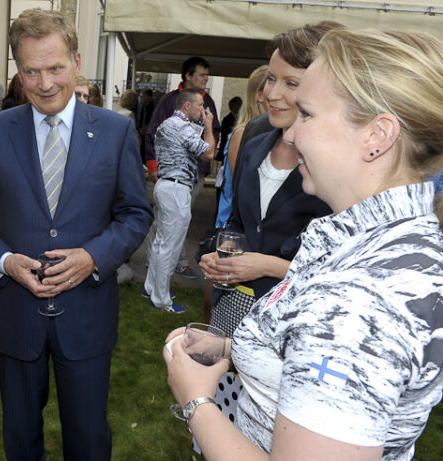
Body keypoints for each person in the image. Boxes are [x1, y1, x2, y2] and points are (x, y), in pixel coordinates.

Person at [166, 27, 443, 460]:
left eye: (308, 115)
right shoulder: (384, 242)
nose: (292, 135)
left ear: (377, 135)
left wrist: (197, 401)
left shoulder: (356, 302)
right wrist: (229, 348)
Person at [0, 8, 152, 460]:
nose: (44, 83)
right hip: (16, 319)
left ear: (77, 62)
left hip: (87, 319)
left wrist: (93, 257)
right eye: (31, 71)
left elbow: (136, 213)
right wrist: (4, 262)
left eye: (56, 68)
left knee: (88, 439)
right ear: (17, 71)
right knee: (21, 441)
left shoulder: (117, 131)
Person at [199, 22, 338, 338]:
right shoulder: (255, 142)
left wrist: (265, 266)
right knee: (217, 382)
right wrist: (226, 257)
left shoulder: (339, 169)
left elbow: (343, 270)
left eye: (291, 83)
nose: (271, 94)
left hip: (298, 321)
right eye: (271, 79)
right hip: (234, 307)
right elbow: (238, 221)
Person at [144, 57, 220, 280]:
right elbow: (153, 133)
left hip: (195, 172)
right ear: (188, 76)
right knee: (162, 218)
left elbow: (213, 133)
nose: (206, 79)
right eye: (202, 75)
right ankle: (152, 263)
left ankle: (179, 262)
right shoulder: (170, 101)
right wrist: (153, 166)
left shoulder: (210, 102)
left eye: (207, 75)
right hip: (170, 172)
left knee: (182, 218)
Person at [214, 65, 268, 228]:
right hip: (236, 227)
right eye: (273, 82)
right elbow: (242, 188)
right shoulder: (242, 134)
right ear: (259, 95)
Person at [217, 96, 242, 161]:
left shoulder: (241, 118)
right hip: (228, 147)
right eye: (237, 104)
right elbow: (224, 136)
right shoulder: (227, 119)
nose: (239, 106)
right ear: (232, 106)